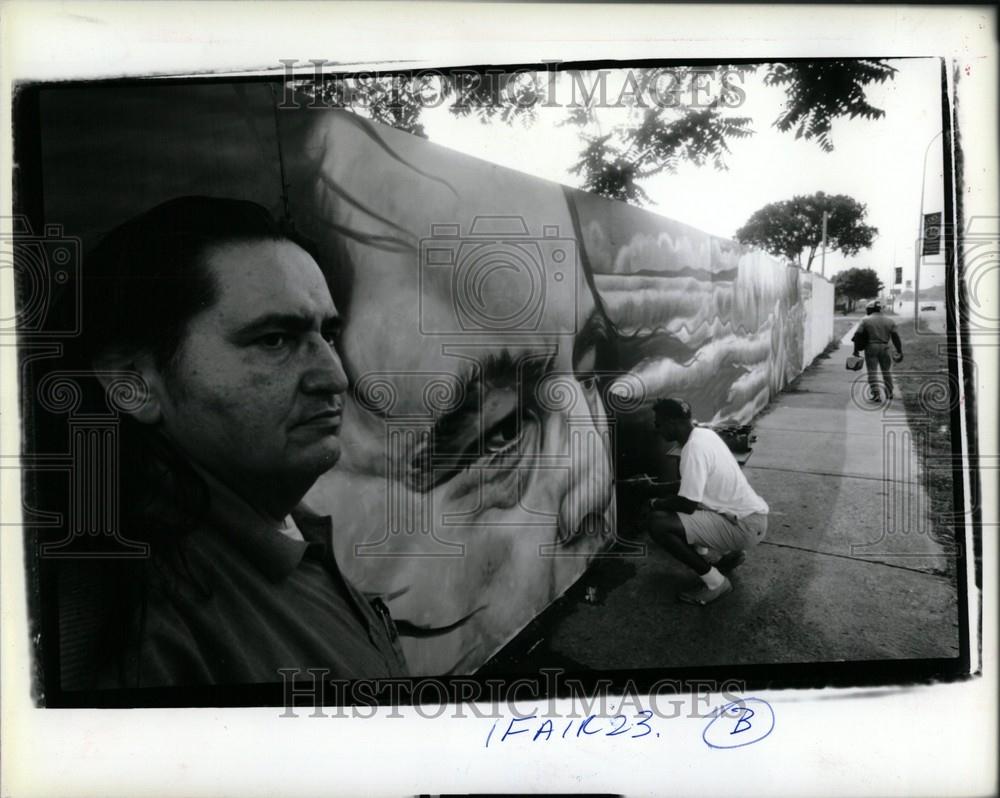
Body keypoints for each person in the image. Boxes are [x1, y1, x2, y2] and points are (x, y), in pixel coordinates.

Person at [69, 196, 408, 689]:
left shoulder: (285, 521)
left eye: (328, 334)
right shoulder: (143, 637)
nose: (335, 377)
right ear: (134, 384)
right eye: (274, 340)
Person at [641, 398, 769, 606]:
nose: (657, 430)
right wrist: (654, 489)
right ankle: (731, 555)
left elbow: (687, 504)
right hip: (752, 518)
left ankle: (716, 583)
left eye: (658, 424)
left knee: (658, 523)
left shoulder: (693, 450)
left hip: (744, 528)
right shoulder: (705, 434)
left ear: (671, 423)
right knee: (691, 507)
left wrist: (655, 503)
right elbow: (690, 485)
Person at [851, 300, 904, 402]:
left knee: (872, 371)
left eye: (867, 309)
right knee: (886, 371)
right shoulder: (890, 321)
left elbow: (857, 335)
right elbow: (895, 337)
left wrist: (856, 350)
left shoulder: (865, 320)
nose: (866, 311)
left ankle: (876, 395)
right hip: (885, 347)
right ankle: (889, 393)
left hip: (871, 347)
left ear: (871, 309)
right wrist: (899, 350)